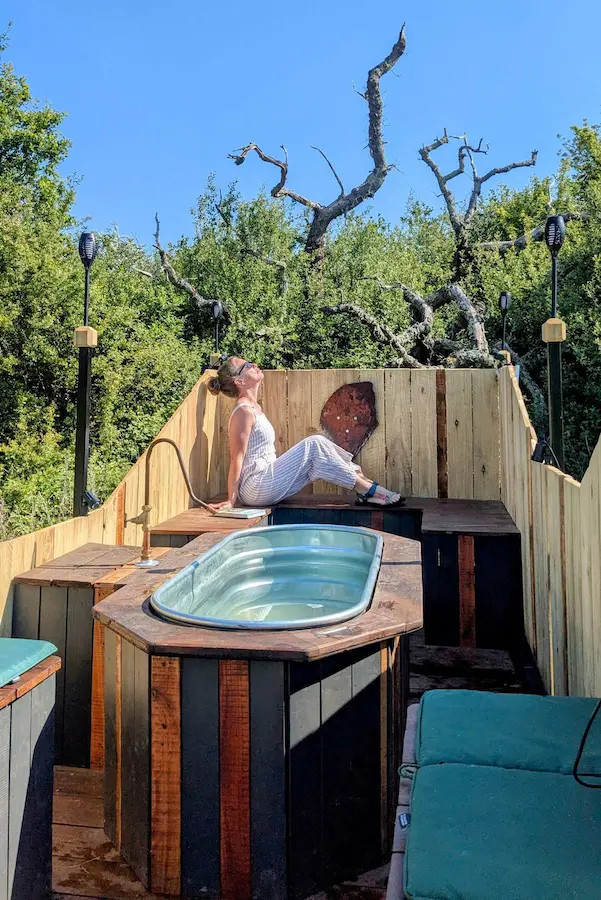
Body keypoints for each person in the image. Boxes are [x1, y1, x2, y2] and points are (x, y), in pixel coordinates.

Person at [207, 357, 405, 509]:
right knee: (314, 444)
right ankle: (367, 489)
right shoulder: (243, 411)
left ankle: (362, 482)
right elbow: (236, 458)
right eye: (247, 365)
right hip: (255, 486)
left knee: (316, 461)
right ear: (238, 381)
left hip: (267, 479)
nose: (254, 364)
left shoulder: (253, 408)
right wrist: (231, 501)